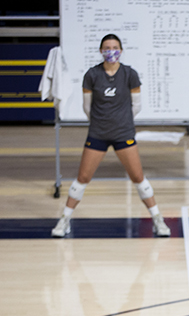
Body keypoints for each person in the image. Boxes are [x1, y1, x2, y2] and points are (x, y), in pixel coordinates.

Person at [51, 33, 170, 238]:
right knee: (83, 178)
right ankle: (64, 220)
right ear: (100, 51)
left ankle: (158, 219)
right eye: (107, 47)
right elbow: (87, 108)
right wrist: (102, 122)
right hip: (98, 133)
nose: (111, 51)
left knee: (138, 178)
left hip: (124, 133)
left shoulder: (129, 74)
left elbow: (137, 105)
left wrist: (121, 121)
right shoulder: (92, 75)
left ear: (121, 51)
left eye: (115, 47)